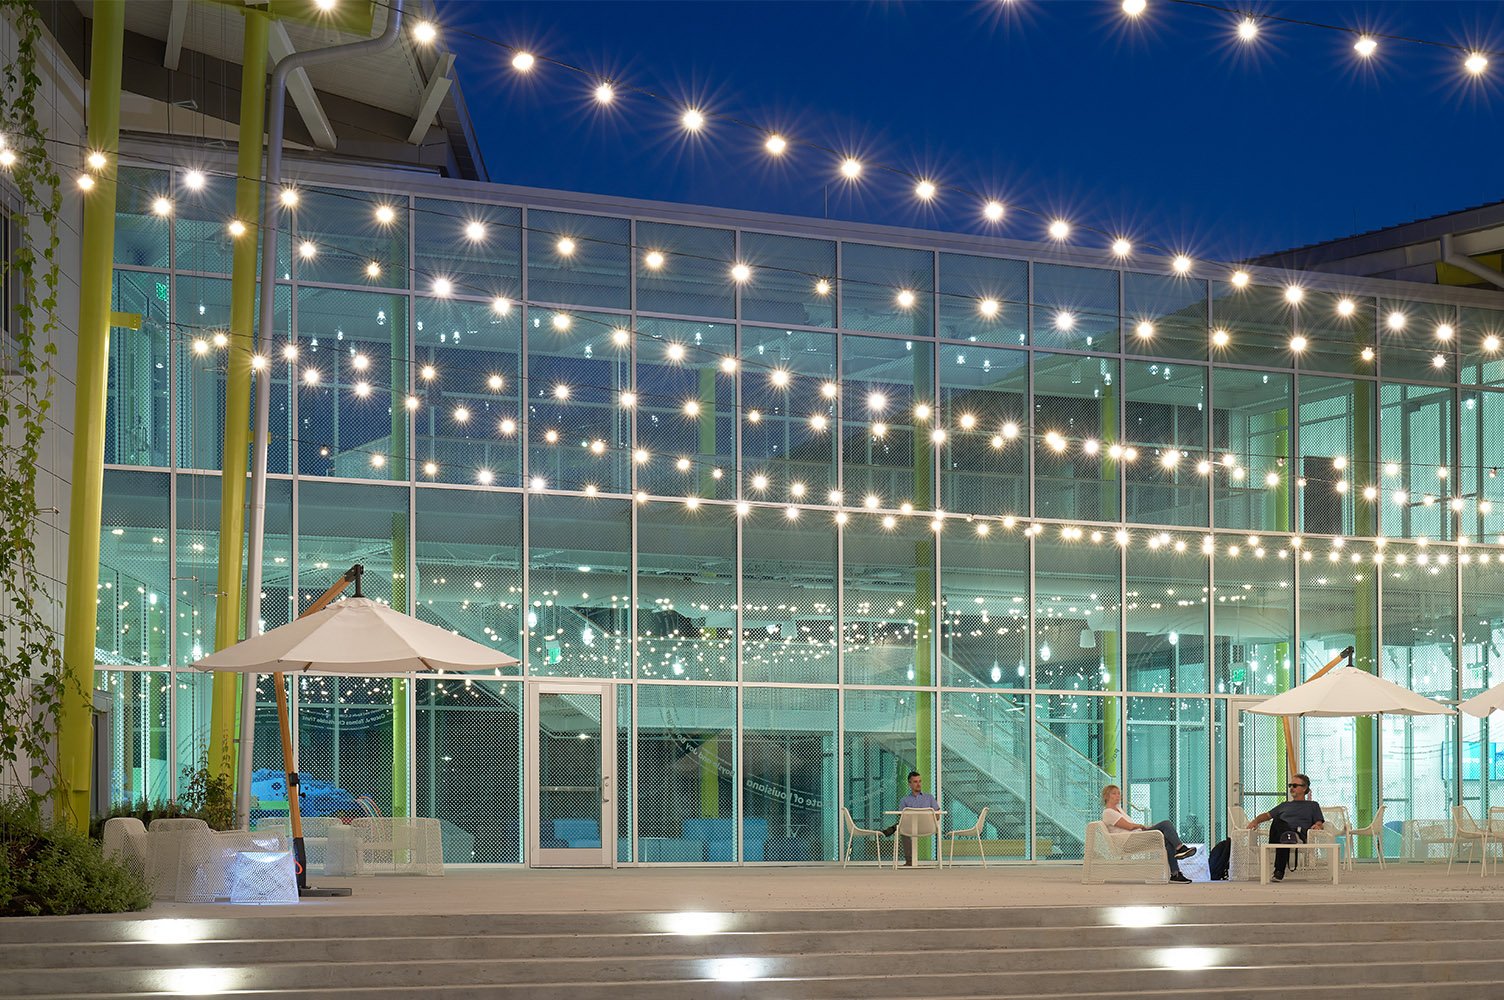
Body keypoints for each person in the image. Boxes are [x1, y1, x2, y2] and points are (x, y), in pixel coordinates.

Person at [1101, 784, 1196, 884]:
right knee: (1166, 824)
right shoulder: (1108, 812)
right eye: (1114, 793)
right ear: (1106, 796)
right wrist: (1142, 826)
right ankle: (1180, 848)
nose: (1118, 795)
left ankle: (1175, 874)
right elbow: (1129, 827)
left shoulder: (1119, 810)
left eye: (1119, 793)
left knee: (1168, 839)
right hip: (1128, 842)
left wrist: (1145, 828)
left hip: (1136, 837)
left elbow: (1131, 827)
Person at [1247, 773, 1325, 883]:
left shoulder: (1312, 805)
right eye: (1290, 785)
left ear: (1304, 788)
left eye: (1295, 785)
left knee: (1285, 835)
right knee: (1279, 821)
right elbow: (1267, 815)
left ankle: (1279, 871)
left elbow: (1319, 822)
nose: (1291, 788)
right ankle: (1288, 838)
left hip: (1298, 834)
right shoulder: (1284, 805)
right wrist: (1255, 821)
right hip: (1279, 833)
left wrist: (1318, 826)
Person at [881, 771, 940, 866]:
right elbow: (902, 818)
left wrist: (924, 818)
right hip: (910, 827)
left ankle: (891, 829)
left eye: (920, 781)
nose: (918, 784)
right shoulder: (904, 800)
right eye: (915, 782)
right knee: (903, 829)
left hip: (927, 826)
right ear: (910, 784)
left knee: (900, 826)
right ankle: (909, 860)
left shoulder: (929, 798)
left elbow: (937, 816)